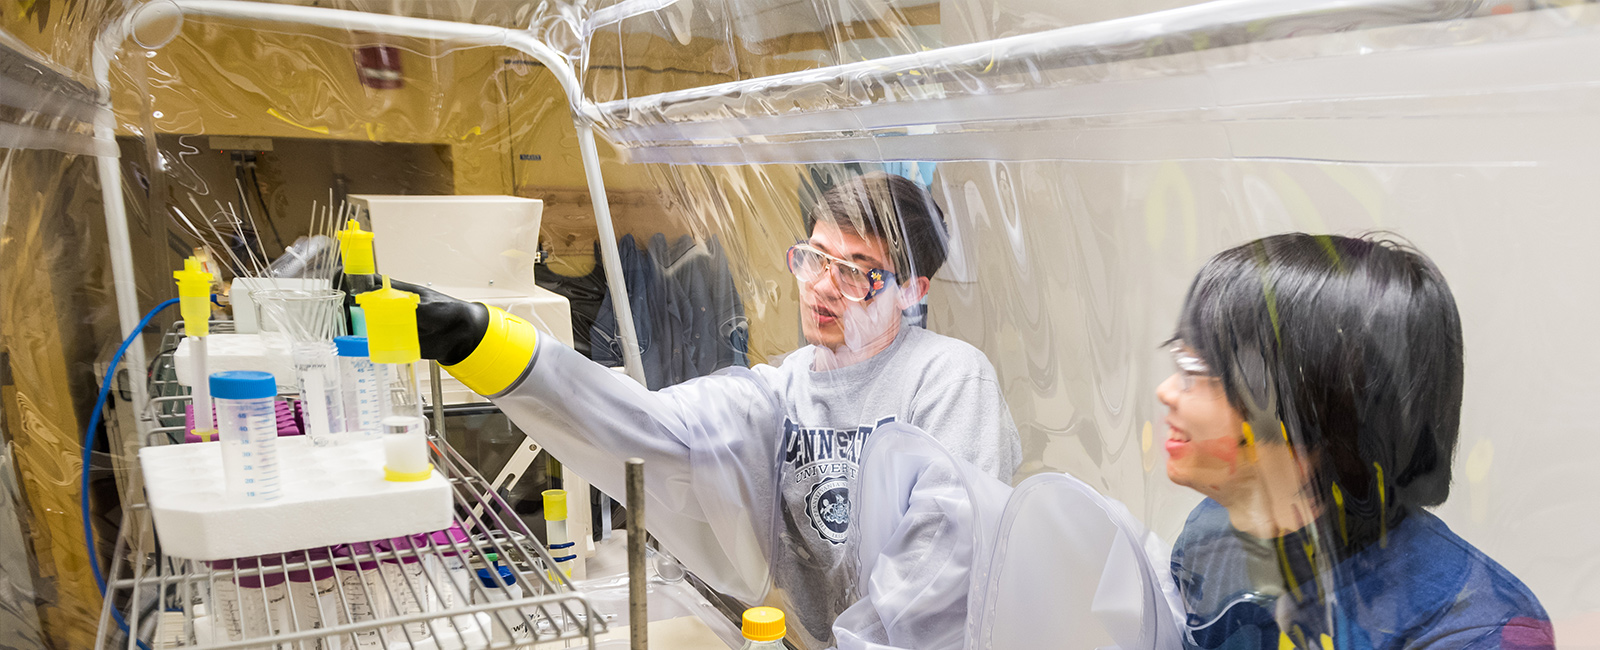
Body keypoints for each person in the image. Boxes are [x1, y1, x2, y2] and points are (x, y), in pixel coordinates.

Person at [397, 171, 1021, 648]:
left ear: (914, 291)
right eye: (815, 259)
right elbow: (646, 426)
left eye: (858, 273)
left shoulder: (949, 379)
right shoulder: (782, 390)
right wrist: (486, 345)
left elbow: (940, 571)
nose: (823, 287)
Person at [1158, 233, 1554, 650]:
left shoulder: (1474, 629)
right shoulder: (1210, 537)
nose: (1167, 391)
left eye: (1196, 369)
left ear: (1314, 408)